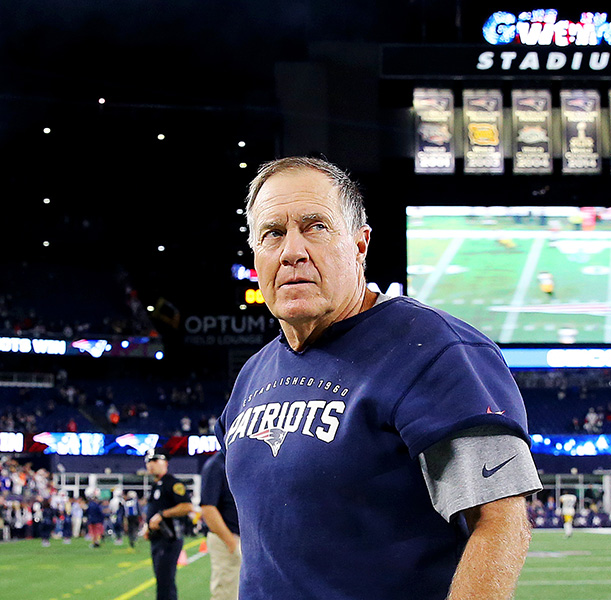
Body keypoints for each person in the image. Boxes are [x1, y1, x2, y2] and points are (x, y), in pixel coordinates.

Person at [215, 156, 542, 600]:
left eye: (315, 227)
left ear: (360, 244)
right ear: (257, 254)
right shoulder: (252, 376)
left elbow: (500, 522)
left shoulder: (439, 352)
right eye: (273, 233)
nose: (292, 250)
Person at [144, 450, 193, 600]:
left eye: (155, 461)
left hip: (169, 539)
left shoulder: (172, 483)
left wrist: (162, 515)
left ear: (165, 463)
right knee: (161, 579)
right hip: (157, 539)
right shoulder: (156, 485)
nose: (151, 465)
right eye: (148, 461)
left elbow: (186, 506)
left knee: (165, 580)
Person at [200, 451, 241, 600]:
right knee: (226, 594)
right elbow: (208, 508)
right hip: (228, 538)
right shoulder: (217, 465)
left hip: (238, 538)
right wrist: (231, 543)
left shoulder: (233, 460)